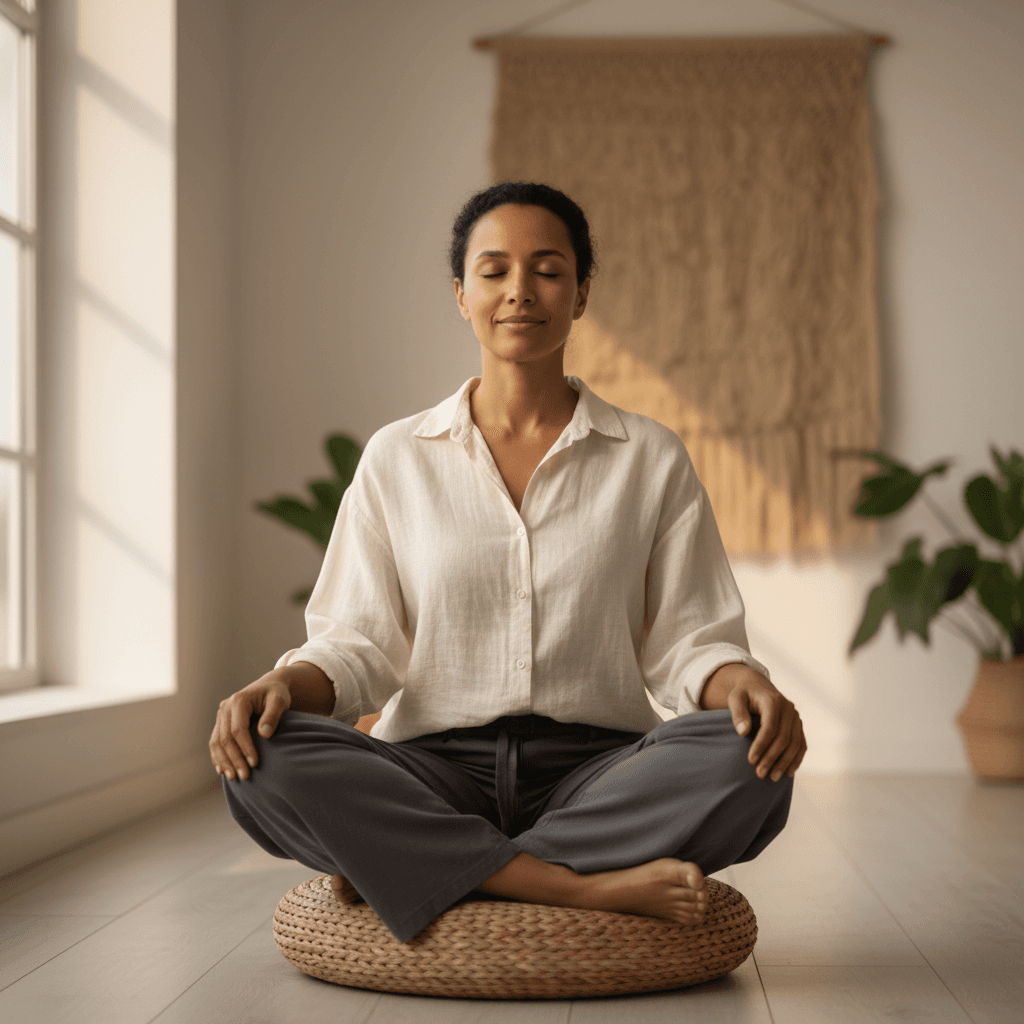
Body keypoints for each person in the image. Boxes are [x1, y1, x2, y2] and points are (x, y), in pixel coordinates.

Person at [210, 181, 806, 945]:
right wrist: (280, 684)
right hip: (430, 771)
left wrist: (746, 685)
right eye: (494, 271)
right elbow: (356, 643)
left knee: (750, 760)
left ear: (581, 294)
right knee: (262, 754)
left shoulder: (650, 457)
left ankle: (417, 863)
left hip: (599, 772)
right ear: (462, 295)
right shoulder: (397, 457)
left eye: (548, 270)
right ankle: (571, 886)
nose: (520, 291)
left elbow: (689, 639)